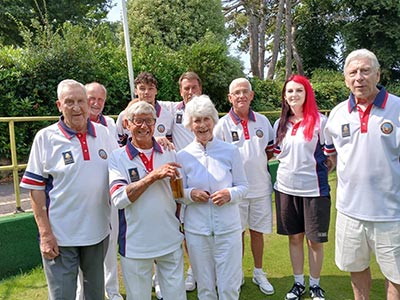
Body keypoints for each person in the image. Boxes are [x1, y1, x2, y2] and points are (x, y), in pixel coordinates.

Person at [20, 79, 118, 299]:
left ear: (87, 102)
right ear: (59, 106)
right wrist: (45, 234)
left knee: (94, 295)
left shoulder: (103, 133)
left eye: (81, 101)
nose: (77, 107)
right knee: (63, 296)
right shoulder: (45, 138)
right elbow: (35, 191)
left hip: (98, 233)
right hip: (61, 238)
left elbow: (123, 164)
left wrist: (156, 140)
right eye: (69, 102)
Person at [324, 49, 400, 300]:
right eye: (353, 72)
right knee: (356, 269)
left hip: (391, 213)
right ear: (345, 78)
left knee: (396, 277)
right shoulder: (336, 114)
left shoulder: (397, 109)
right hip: (350, 212)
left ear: (377, 74)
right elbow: (330, 156)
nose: (359, 77)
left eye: (365, 71)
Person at [108, 101, 186, 300]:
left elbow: (178, 193)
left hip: (169, 237)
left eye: (149, 121)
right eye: (139, 121)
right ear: (127, 124)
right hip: (136, 244)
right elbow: (119, 199)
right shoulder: (117, 157)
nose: (144, 126)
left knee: (176, 296)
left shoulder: (168, 150)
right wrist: (153, 176)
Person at [176, 95, 248, 300]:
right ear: (190, 125)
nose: (202, 125)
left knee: (229, 286)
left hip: (228, 228)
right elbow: (178, 194)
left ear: (214, 121)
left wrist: (229, 194)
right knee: (205, 286)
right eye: (197, 120)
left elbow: (243, 186)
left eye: (206, 119)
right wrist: (191, 194)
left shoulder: (230, 151)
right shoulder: (183, 155)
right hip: (197, 230)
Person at [214, 78, 275, 295]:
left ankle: (258, 272)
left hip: (260, 188)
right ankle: (237, 273)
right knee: (236, 234)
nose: (241, 96)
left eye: (244, 92)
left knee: (257, 232)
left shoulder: (263, 122)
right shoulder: (221, 125)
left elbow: (268, 152)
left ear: (252, 95)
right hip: (235, 192)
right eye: (236, 93)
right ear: (230, 98)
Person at [273, 74, 331, 300]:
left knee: (314, 240)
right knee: (295, 237)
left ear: (307, 94)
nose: (293, 95)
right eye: (289, 91)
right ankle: (298, 283)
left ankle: (315, 285)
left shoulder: (320, 121)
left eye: (298, 90)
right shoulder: (279, 123)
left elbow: (330, 155)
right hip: (286, 188)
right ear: (284, 96)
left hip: (314, 191)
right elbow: (277, 156)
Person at [75, 82, 124, 300]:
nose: (95, 103)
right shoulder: (72, 125)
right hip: (82, 199)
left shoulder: (110, 125)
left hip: (108, 196)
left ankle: (111, 290)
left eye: (100, 100)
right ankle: (80, 293)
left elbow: (118, 155)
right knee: (80, 248)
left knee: (110, 244)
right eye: (91, 98)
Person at [159, 71, 203, 292]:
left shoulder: (207, 110)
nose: (190, 92)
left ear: (200, 88)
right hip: (179, 179)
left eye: (194, 87)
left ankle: (204, 270)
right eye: (186, 88)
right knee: (183, 226)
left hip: (205, 175)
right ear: (180, 91)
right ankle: (192, 271)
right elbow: (144, 98)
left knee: (204, 224)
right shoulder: (171, 110)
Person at [116, 72, 173, 148]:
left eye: (150, 88)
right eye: (142, 89)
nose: (146, 92)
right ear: (136, 91)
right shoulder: (124, 116)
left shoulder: (167, 116)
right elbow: (118, 144)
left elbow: (170, 145)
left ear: (156, 91)